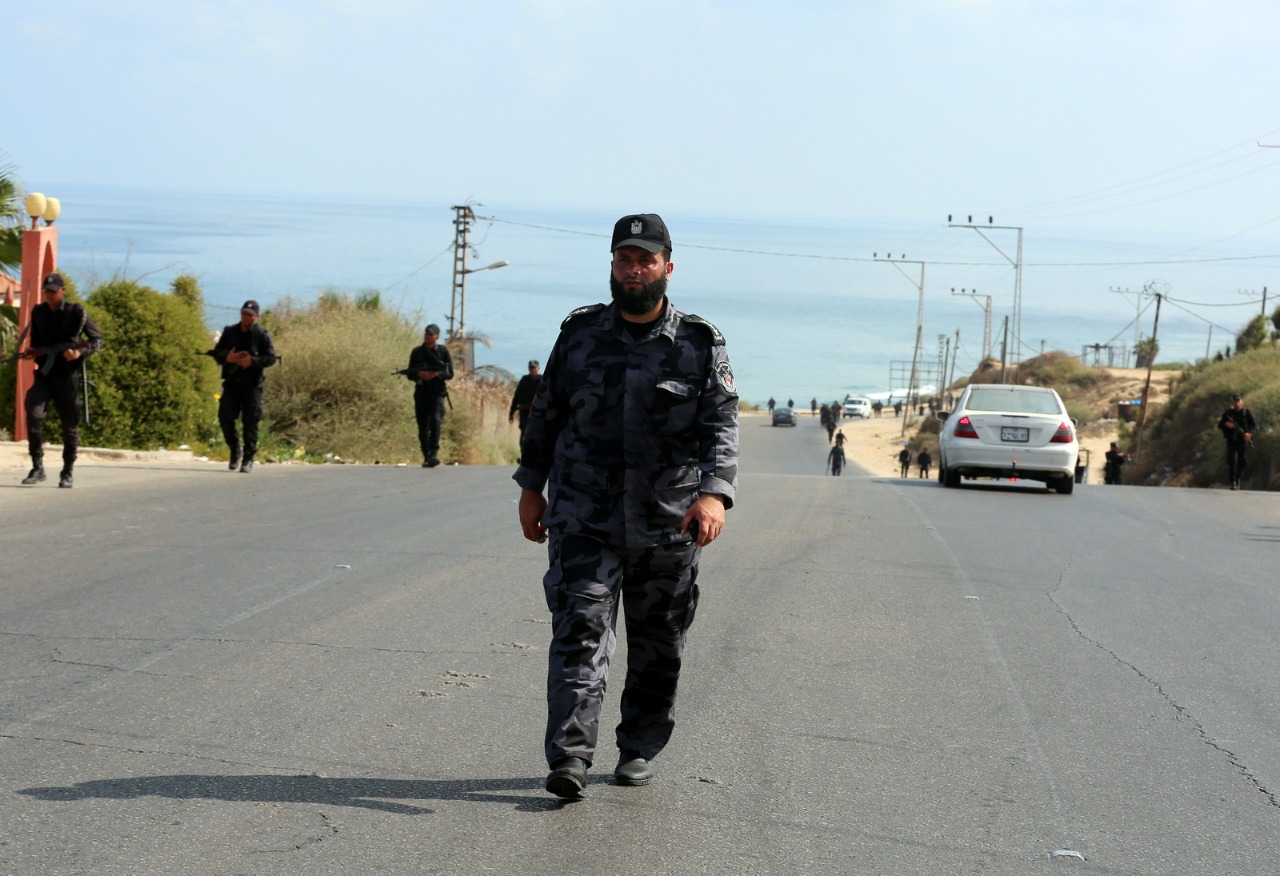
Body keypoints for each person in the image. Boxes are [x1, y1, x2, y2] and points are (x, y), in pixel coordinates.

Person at [514, 213, 739, 799]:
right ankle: (569, 757)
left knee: (659, 645)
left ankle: (638, 746)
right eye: (624, 260)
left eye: (646, 260)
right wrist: (530, 487)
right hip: (583, 516)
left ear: (668, 267)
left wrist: (714, 493)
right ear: (612, 267)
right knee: (579, 633)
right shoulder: (580, 334)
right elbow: (547, 414)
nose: (634, 271)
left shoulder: (698, 343)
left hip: (668, 522)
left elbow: (720, 423)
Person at [19, 273, 103, 488]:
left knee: (70, 424)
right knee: (34, 415)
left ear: (62, 290)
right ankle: (37, 467)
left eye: (53, 291)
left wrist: (79, 354)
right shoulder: (39, 312)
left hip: (67, 377)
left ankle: (67, 472)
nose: (49, 295)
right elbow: (36, 343)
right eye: (46, 291)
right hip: (45, 375)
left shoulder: (77, 312)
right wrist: (31, 352)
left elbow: (96, 340)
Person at [213, 300, 277, 473]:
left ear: (256, 316)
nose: (246, 317)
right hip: (232, 384)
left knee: (251, 422)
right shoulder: (230, 332)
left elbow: (271, 358)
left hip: (252, 386)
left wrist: (252, 361)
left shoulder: (261, 335)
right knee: (225, 418)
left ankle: (248, 458)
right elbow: (216, 353)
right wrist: (228, 358)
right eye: (244, 313)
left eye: (250, 314)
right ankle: (235, 450)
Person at [406, 323, 454, 467]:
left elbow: (449, 373)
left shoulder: (443, 352)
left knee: (435, 421)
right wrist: (420, 374)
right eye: (426, 334)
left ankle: (433, 453)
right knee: (422, 426)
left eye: (430, 334)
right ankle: (426, 454)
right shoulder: (417, 352)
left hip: (437, 392)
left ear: (437, 336)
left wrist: (436, 374)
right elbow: (410, 373)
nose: (427, 336)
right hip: (421, 392)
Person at [1218, 393, 1258, 490]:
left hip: (1242, 441)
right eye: (1235, 401)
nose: (1237, 403)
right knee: (1232, 461)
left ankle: (1238, 477)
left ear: (1242, 402)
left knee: (1242, 461)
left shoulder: (1246, 413)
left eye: (1238, 401)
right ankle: (1233, 482)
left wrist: (1250, 434)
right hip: (1231, 440)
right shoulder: (1228, 413)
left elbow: (1255, 426)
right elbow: (1220, 425)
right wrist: (1227, 424)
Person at [508, 359, 542, 440]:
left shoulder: (542, 380)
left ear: (538, 369)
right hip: (524, 411)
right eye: (530, 368)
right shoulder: (524, 380)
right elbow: (516, 396)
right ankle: (524, 450)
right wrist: (511, 413)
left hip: (538, 411)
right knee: (524, 431)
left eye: (534, 368)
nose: (532, 370)